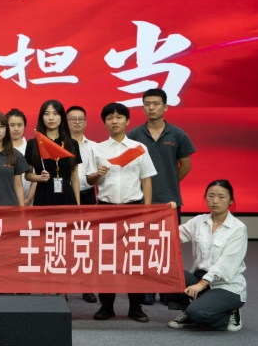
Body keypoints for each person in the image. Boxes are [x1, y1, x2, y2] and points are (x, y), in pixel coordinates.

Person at [87, 102, 158, 323]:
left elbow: (146, 180)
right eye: (109, 118)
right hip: (106, 209)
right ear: (104, 122)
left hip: (133, 208)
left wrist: (147, 211)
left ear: (127, 121)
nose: (114, 121)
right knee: (105, 259)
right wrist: (97, 174)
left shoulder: (139, 147)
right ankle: (106, 305)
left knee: (134, 259)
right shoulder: (97, 148)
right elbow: (89, 180)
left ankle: (135, 307)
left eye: (119, 117)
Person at [127, 88, 197, 306]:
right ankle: (148, 289)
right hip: (142, 200)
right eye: (147, 104)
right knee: (144, 246)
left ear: (165, 107)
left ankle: (167, 289)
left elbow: (186, 166)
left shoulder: (177, 134)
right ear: (142, 108)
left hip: (170, 201)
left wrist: (169, 183)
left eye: (156, 104)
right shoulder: (134, 135)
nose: (151, 108)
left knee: (168, 247)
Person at [167, 180, 246, 332]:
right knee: (168, 272)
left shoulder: (238, 228)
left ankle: (231, 310)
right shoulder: (199, 221)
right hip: (199, 279)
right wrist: (167, 214)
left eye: (221, 197)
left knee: (197, 313)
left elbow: (225, 264)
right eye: (211, 196)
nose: (215, 200)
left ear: (231, 200)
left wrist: (202, 284)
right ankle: (188, 313)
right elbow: (172, 236)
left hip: (226, 286)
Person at [66, 105, 99, 304]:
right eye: (72, 119)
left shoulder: (94, 146)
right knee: (63, 242)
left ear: (86, 122)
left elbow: (97, 176)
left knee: (86, 243)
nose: (77, 122)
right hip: (65, 196)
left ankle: (87, 287)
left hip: (87, 196)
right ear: (66, 122)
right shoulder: (60, 144)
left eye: (80, 119)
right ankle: (63, 288)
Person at [24, 100, 81, 206]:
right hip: (43, 193)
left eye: (55, 114)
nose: (51, 118)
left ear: (61, 117)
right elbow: (28, 175)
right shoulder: (33, 144)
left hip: (66, 194)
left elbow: (74, 177)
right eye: (47, 114)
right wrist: (39, 178)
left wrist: (78, 205)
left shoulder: (72, 144)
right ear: (42, 118)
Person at [6, 109, 37, 206]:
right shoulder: (1, 150)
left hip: (29, 200)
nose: (16, 129)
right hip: (6, 201)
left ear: (24, 126)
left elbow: (36, 178)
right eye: (12, 125)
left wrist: (28, 200)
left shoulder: (31, 148)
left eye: (19, 125)